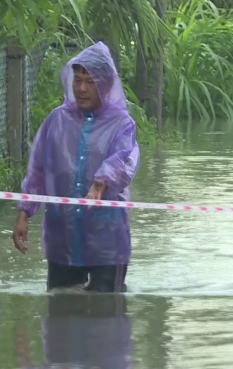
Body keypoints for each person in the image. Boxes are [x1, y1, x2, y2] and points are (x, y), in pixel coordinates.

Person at [12, 41, 140, 292]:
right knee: (60, 310)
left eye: (89, 82)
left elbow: (124, 160)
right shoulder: (56, 120)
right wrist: (23, 214)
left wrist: (100, 183)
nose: (81, 88)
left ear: (104, 84)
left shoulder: (122, 124)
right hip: (64, 239)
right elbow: (37, 169)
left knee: (107, 316)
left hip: (107, 243)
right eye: (77, 80)